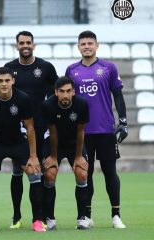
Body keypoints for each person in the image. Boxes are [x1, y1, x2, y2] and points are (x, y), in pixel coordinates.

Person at [65, 30, 128, 229]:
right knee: (85, 173)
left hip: (105, 130)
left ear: (96, 45)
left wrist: (123, 122)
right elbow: (67, 100)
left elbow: (117, 95)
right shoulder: (71, 70)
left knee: (110, 172)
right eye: (83, 44)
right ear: (78, 47)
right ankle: (86, 216)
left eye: (90, 43)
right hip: (82, 132)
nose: (86, 46)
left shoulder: (108, 67)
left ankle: (116, 215)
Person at [0, 67, 45, 232]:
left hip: (18, 141)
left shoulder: (23, 98)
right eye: (0, 81)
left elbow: (29, 128)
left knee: (35, 173)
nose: (4, 84)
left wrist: (33, 155)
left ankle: (37, 220)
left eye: (7, 80)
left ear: (13, 81)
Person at [4, 30, 58, 229]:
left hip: (41, 128)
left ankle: (45, 217)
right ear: (17, 45)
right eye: (21, 43)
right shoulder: (9, 69)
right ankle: (16, 217)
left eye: (28, 42)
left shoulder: (46, 67)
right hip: (16, 129)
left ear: (33, 45)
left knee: (42, 172)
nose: (25, 46)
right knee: (17, 172)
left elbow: (57, 94)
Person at [41, 76, 91, 229]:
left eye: (69, 91)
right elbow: (53, 132)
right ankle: (49, 218)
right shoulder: (48, 105)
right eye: (61, 91)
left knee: (82, 173)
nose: (65, 95)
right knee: (49, 174)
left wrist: (78, 156)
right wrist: (54, 157)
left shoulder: (82, 104)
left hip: (74, 143)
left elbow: (81, 131)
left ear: (73, 92)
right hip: (54, 142)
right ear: (56, 92)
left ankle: (82, 218)